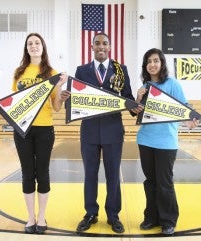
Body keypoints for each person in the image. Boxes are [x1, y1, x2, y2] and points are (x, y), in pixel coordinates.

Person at [0, 32, 69, 235]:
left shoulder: (51, 72)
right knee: (27, 174)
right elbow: (14, 102)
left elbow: (57, 107)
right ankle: (30, 217)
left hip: (45, 129)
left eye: (37, 43)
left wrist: (60, 88)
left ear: (43, 47)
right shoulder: (19, 72)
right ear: (27, 48)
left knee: (42, 173)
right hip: (22, 130)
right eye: (30, 43)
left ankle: (41, 216)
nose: (33, 46)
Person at [74, 32, 142, 234]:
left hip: (113, 130)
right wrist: (69, 97)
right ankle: (90, 214)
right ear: (92, 47)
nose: (101, 46)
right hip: (89, 130)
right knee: (90, 175)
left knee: (113, 175)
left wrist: (134, 106)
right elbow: (77, 99)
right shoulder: (82, 70)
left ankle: (113, 215)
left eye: (105, 43)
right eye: (97, 43)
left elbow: (127, 96)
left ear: (110, 47)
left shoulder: (121, 70)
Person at [135, 48, 199, 235]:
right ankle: (151, 218)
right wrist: (138, 97)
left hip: (166, 142)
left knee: (164, 183)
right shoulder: (144, 86)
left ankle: (168, 220)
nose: (152, 64)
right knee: (150, 182)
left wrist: (190, 121)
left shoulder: (172, 84)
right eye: (149, 61)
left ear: (161, 63)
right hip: (145, 140)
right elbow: (137, 113)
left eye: (156, 60)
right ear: (145, 66)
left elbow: (184, 109)